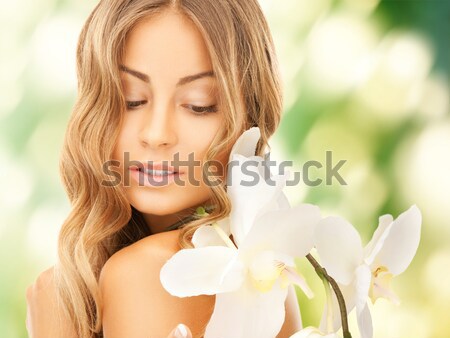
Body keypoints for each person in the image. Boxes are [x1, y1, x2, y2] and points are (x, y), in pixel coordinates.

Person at [26, 0, 302, 337]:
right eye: (130, 99)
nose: (156, 134)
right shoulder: (269, 272)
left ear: (252, 118)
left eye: (199, 105)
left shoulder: (151, 271)